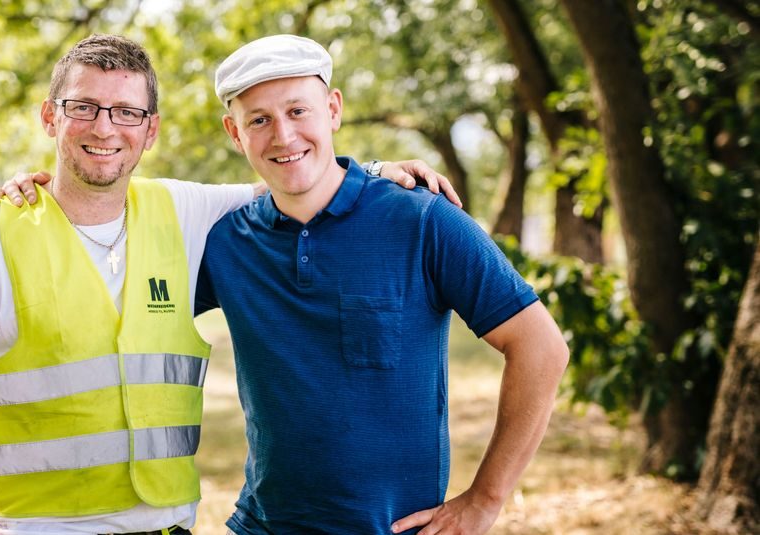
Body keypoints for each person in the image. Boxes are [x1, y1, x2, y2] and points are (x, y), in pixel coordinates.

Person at [0, 34, 459, 535]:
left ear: (151, 129)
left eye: (126, 111)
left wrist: (377, 169)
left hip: (169, 527)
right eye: (84, 107)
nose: (104, 127)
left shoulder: (189, 211)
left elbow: (297, 177)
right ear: (51, 117)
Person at [192, 35, 570, 535]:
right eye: (258, 119)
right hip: (262, 526)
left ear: (333, 109)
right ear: (235, 134)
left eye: (298, 111)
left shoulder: (423, 220)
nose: (283, 136)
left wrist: (484, 499)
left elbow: (541, 348)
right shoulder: (224, 244)